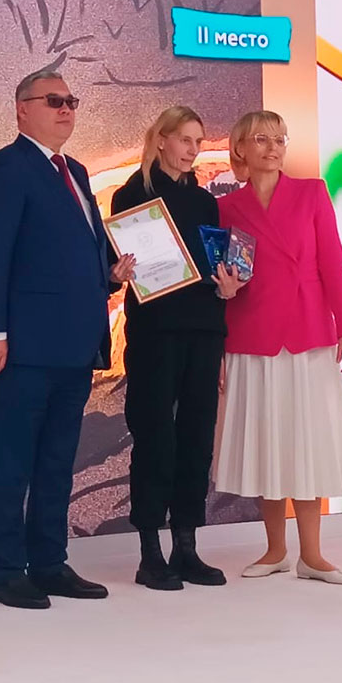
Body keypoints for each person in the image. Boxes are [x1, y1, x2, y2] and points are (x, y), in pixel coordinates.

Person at [0, 70, 135, 609]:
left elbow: (72, 251)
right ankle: (5, 572)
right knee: (11, 461)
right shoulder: (3, 168)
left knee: (57, 461)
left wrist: (110, 275)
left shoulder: (76, 171)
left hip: (75, 345)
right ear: (22, 109)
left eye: (71, 101)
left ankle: (48, 562)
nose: (66, 110)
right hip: (22, 347)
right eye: (54, 101)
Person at [214, 110, 342, 586]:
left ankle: (312, 555)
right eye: (262, 139)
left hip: (307, 332)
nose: (274, 147)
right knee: (267, 442)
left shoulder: (311, 193)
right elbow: (225, 277)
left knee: (308, 443)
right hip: (251, 334)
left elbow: (333, 263)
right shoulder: (226, 208)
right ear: (240, 148)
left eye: (280, 139)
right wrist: (224, 297)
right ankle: (276, 550)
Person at [108, 106, 245, 592]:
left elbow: (217, 267)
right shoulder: (132, 194)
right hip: (155, 332)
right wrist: (116, 273)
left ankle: (186, 546)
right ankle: (150, 552)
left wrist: (228, 287)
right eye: (185, 139)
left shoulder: (206, 202)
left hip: (204, 329)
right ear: (161, 140)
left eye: (198, 141)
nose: (192, 150)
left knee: (196, 437)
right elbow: (117, 265)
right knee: (154, 438)